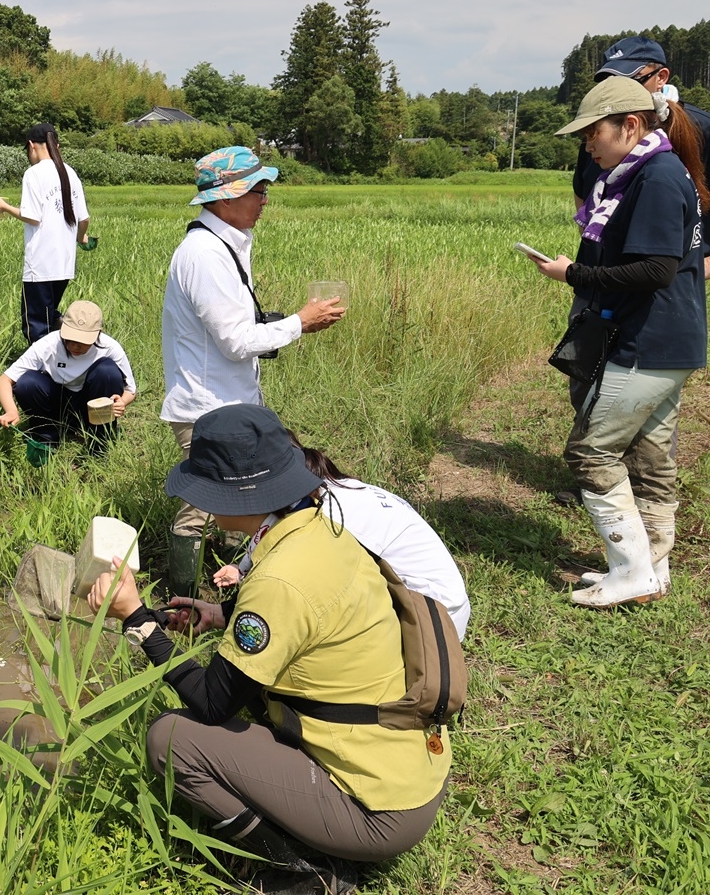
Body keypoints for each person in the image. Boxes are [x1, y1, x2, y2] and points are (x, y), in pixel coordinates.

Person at [88, 404, 450, 894]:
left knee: (172, 738)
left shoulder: (280, 579)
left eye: (207, 491)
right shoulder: (322, 529)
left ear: (238, 495)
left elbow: (213, 702)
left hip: (378, 810)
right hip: (411, 770)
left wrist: (136, 620)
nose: (205, 504)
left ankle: (306, 871)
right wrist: (219, 615)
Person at [527, 76, 709, 608]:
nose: (587, 145)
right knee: (650, 457)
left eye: (592, 133)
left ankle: (630, 571)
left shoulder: (653, 178)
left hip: (646, 341)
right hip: (671, 341)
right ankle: (652, 565)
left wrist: (574, 274)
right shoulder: (653, 171)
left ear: (630, 125)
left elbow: (654, 268)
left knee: (591, 451)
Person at [160, 146, 346, 546]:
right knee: (200, 511)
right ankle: (179, 599)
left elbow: (234, 328)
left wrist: (294, 326)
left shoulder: (227, 244)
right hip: (208, 411)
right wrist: (299, 323)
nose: (264, 201)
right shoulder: (205, 254)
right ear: (226, 197)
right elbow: (235, 341)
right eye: (258, 191)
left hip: (230, 404)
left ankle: (233, 584)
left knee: (244, 503)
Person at [213, 440, 470, 641]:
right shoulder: (331, 490)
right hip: (438, 605)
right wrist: (241, 569)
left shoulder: (326, 519)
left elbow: (291, 592)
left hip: (429, 625)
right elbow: (268, 530)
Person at [574, 36, 710, 275]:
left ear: (661, 77)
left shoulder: (706, 131)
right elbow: (583, 189)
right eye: (609, 84)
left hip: (664, 286)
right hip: (601, 282)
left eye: (630, 82)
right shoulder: (599, 137)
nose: (618, 93)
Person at [0, 121, 91, 343]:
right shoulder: (69, 173)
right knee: (49, 315)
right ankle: (66, 343)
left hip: (41, 264)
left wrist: (4, 207)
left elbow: (33, 216)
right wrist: (80, 237)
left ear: (32, 145)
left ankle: (44, 371)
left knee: (35, 325)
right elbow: (84, 219)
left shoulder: (34, 174)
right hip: (64, 263)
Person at [0, 299, 136, 453]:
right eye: (71, 339)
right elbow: (4, 380)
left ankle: (100, 442)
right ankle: (47, 436)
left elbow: (130, 390)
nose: (75, 345)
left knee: (107, 371)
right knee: (27, 383)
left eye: (83, 341)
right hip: (57, 402)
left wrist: (121, 402)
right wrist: (11, 411)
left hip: (91, 405)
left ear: (97, 334)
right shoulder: (49, 344)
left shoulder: (110, 347)